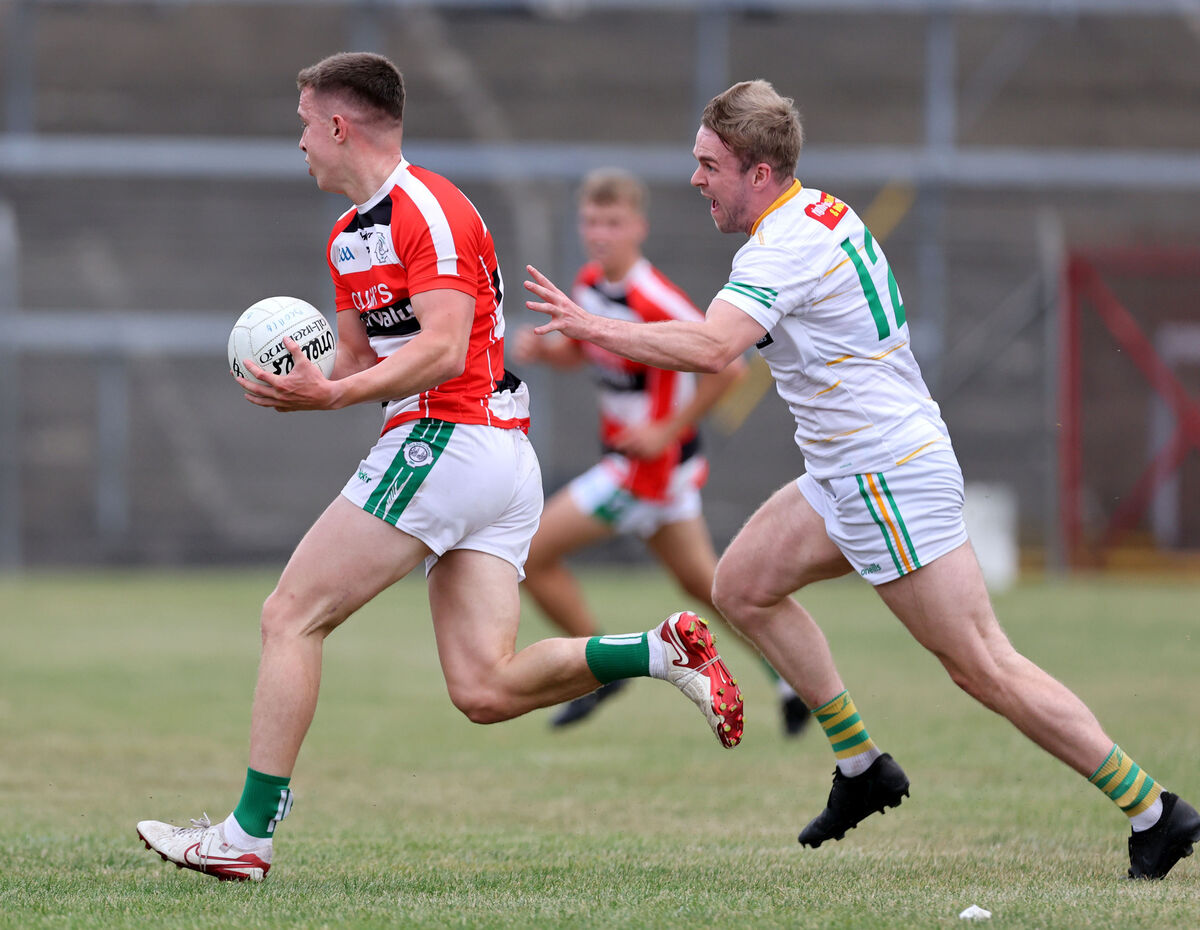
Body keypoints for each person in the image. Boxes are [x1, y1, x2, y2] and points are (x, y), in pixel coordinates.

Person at [524, 79, 1200, 880]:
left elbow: (713, 350)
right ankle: (861, 768)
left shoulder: (783, 246)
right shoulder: (819, 211)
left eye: (710, 165)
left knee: (982, 665)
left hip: (885, 475)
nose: (697, 179)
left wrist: (589, 323)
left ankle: (1156, 812)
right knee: (741, 586)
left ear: (760, 172)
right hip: (851, 472)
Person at [135, 52, 745, 883]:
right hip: (477, 456)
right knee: (484, 690)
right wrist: (308, 376)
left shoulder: (431, 206)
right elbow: (354, 356)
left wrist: (334, 402)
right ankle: (659, 651)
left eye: (306, 124)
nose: (301, 141)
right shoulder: (349, 236)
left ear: (340, 125)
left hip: (450, 437)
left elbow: (444, 347)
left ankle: (246, 836)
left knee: (291, 616)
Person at [514, 167, 809, 734]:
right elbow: (595, 353)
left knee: (530, 554)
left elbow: (729, 367)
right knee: (713, 587)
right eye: (591, 221)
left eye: (613, 222)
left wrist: (665, 429)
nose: (599, 233)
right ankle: (792, 680)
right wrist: (554, 355)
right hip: (650, 468)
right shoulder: (590, 285)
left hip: (645, 470)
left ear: (639, 228)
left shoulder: (655, 296)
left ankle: (602, 672)